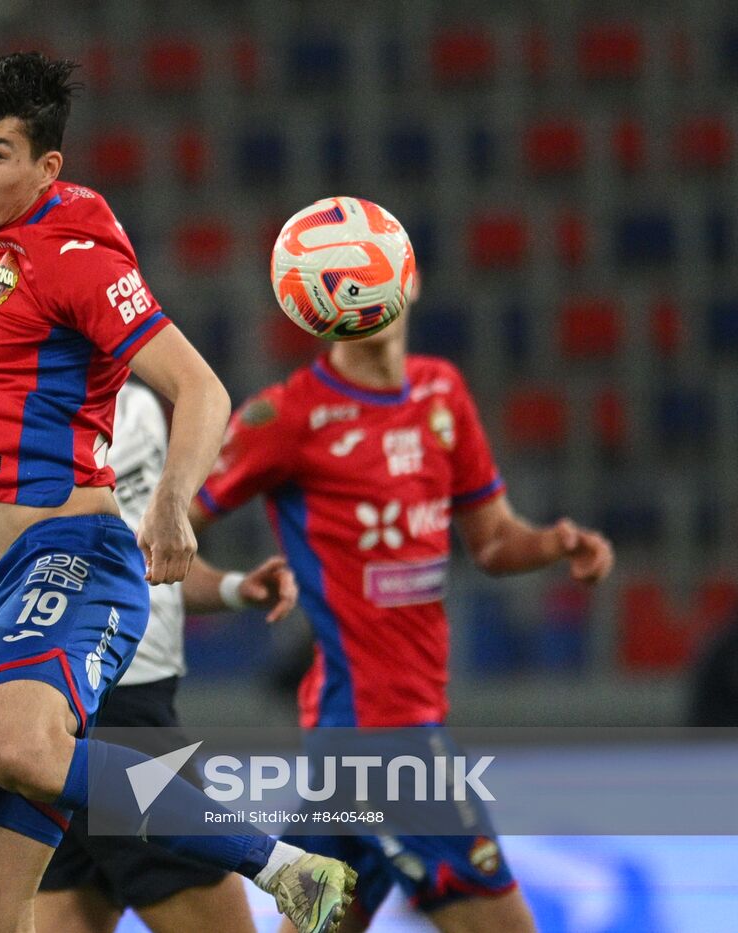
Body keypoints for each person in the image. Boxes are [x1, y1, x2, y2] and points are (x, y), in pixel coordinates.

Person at [0, 52, 355, 933]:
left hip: (74, 559)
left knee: (17, 744)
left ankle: (286, 866)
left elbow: (204, 388)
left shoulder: (73, 259)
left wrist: (170, 501)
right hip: (8, 580)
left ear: (46, 168)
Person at [191, 229, 615, 933]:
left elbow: (492, 539)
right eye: (342, 278)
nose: (361, 288)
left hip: (364, 736)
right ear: (313, 306)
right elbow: (177, 524)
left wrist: (552, 543)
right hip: (384, 741)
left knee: (320, 922)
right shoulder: (288, 416)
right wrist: (230, 586)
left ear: (410, 281)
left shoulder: (441, 393)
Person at [0, 380, 301, 933]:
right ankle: (277, 861)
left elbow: (151, 555)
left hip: (71, 712)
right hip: (101, 712)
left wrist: (236, 588)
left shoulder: (136, 409)